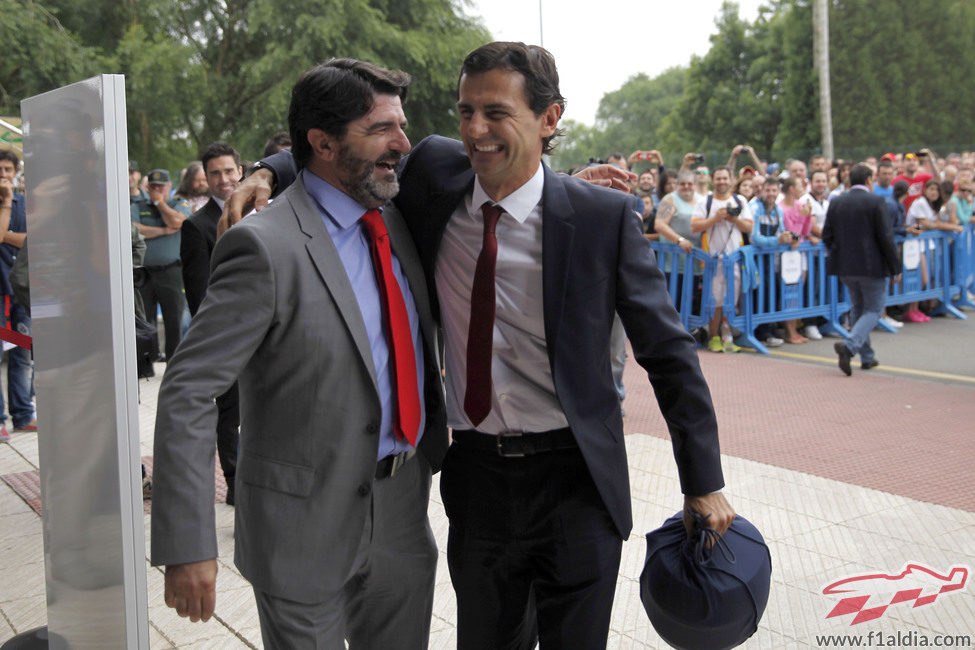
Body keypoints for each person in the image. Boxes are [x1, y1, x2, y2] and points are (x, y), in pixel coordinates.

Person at [234, 42, 733, 650]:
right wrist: (268, 171)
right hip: (476, 479)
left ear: (550, 120)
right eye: (465, 111)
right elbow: (344, 147)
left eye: (495, 113)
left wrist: (701, 479)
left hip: (576, 479)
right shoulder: (436, 177)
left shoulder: (603, 219)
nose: (474, 130)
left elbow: (669, 353)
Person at [151, 60, 448, 649]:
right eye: (382, 129)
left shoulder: (398, 219)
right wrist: (188, 544)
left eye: (402, 126)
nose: (402, 144)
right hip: (299, 529)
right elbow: (188, 388)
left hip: (401, 518)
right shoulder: (262, 246)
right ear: (324, 142)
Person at [179, 141, 244, 505]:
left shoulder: (264, 212)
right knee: (230, 412)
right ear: (205, 178)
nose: (224, 180)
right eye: (215, 173)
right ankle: (235, 482)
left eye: (229, 171)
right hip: (228, 336)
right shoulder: (196, 226)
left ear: (240, 171)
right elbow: (200, 294)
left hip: (273, 331)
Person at [823, 164, 901, 375]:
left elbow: (826, 235)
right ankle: (849, 345)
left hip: (845, 266)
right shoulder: (876, 201)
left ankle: (866, 356)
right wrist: (895, 266)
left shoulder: (837, 201)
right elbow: (886, 237)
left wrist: (840, 253)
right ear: (868, 180)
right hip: (871, 265)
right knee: (874, 310)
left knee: (858, 308)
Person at [131, 169, 192, 361]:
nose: (157, 190)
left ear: (169, 187)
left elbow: (177, 221)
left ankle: (174, 361)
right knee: (145, 318)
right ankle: (148, 360)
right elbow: (136, 229)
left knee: (174, 318)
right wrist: (166, 231)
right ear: (147, 188)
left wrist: (159, 203)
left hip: (171, 270)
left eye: (161, 186)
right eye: (153, 187)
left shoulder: (179, 203)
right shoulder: (139, 204)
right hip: (145, 272)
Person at [692, 165, 753, 352]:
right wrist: (715, 219)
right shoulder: (705, 201)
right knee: (714, 300)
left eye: (725, 178)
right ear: (713, 180)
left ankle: (727, 333)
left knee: (730, 299)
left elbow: (748, 227)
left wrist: (733, 219)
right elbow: (695, 227)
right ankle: (714, 336)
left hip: (734, 260)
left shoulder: (739, 200)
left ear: (731, 179)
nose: (722, 182)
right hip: (712, 260)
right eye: (718, 178)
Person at [0, 150, 34, 440]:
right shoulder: (11, 202)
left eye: (8, 169)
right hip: (0, 292)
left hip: (21, 290)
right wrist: (6, 202)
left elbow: (35, 238)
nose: (4, 174)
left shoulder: (27, 204)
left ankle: (23, 413)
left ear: (16, 172)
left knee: (22, 351)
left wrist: (6, 234)